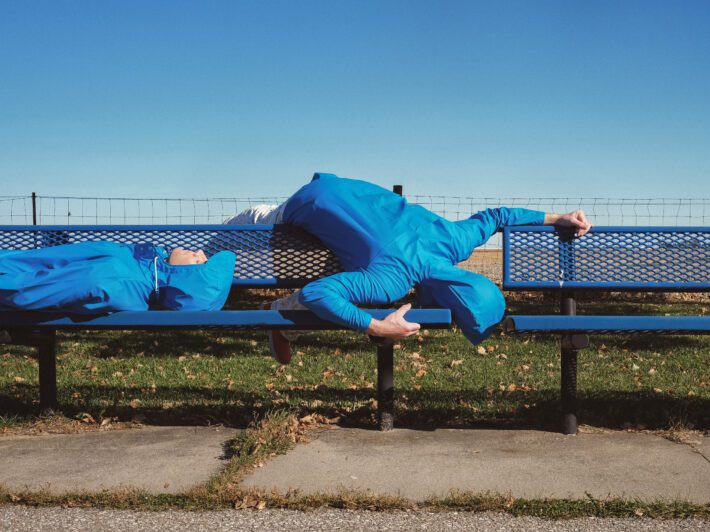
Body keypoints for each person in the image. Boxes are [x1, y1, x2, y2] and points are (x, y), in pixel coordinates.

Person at [226, 173, 592, 363]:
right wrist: (377, 326)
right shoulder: (391, 281)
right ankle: (277, 319)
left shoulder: (454, 239)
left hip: (340, 187)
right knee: (233, 238)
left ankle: (280, 323)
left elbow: (497, 216)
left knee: (346, 269)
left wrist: (557, 217)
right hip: (299, 207)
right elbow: (316, 293)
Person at [0, 241, 236, 313]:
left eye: (200, 261)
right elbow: (36, 259)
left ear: (187, 278)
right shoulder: (145, 265)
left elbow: (31, 290)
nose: (199, 252)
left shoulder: (119, 283)